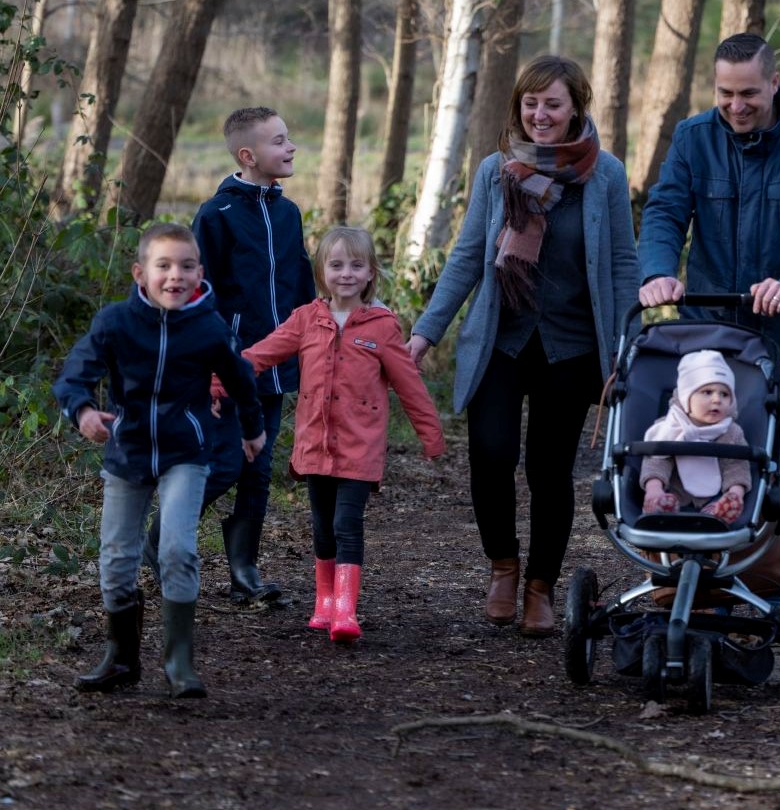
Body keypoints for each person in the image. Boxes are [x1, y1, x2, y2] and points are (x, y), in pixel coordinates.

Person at [408, 54, 641, 637]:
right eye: (531, 103)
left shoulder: (605, 174)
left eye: (552, 104)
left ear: (575, 109)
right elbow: (467, 257)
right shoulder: (496, 170)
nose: (540, 114)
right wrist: (424, 331)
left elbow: (622, 263)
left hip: (571, 346)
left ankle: (540, 586)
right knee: (489, 454)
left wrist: (632, 344)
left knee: (549, 468)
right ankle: (503, 568)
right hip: (502, 340)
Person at [636, 33, 780, 570]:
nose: (736, 106)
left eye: (749, 94)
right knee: (693, 450)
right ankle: (688, 572)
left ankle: (764, 584)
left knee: (776, 464)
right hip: (708, 341)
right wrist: (659, 271)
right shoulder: (692, 138)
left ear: (774, 84)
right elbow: (665, 212)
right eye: (725, 93)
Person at [53, 222, 266, 699]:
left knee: (177, 550)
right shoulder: (115, 323)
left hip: (185, 455)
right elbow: (74, 375)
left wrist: (253, 430)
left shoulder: (209, 327)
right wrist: (83, 410)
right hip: (127, 454)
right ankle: (121, 657)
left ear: (199, 272)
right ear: (140, 273)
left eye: (186, 266)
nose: (176, 276)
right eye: (164, 266)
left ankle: (179, 663)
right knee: (116, 558)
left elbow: (240, 380)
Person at [230, 227, 445, 642]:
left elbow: (409, 384)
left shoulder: (382, 327)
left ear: (370, 274)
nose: (346, 273)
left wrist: (431, 436)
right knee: (322, 524)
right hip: (314, 445)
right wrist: (221, 378)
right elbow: (261, 354)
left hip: (359, 448)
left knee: (348, 522)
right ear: (322, 272)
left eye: (356, 265)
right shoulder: (307, 319)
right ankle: (324, 603)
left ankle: (346, 610)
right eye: (337, 265)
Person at [144, 106, 316, 603]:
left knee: (258, 471)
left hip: (276, 366)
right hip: (227, 366)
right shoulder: (215, 214)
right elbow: (201, 292)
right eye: (279, 141)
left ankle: (245, 570)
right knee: (222, 464)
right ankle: (161, 541)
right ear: (249, 155)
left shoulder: (288, 213)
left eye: (288, 138)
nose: (291, 147)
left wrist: (310, 344)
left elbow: (301, 287)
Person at [639, 350, 750, 524]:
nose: (717, 400)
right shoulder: (669, 426)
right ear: (686, 398)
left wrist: (735, 492)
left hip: (715, 496)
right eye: (707, 392)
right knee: (658, 458)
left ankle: (725, 507)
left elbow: (736, 467)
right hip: (672, 493)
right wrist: (655, 488)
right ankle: (656, 500)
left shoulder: (730, 431)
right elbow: (657, 461)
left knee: (736, 467)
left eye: (724, 394)